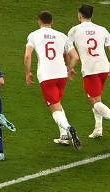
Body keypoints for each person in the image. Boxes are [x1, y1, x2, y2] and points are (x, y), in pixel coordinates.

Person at [67, 4, 110, 141]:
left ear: (79, 15)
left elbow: (72, 54)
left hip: (90, 69)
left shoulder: (74, 31)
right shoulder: (102, 30)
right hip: (104, 67)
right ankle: (98, 129)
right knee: (97, 98)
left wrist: (70, 68)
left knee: (94, 101)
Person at [24, 11, 82, 149]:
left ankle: (69, 128)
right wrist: (69, 68)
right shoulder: (62, 36)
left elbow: (27, 56)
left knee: (54, 108)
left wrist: (28, 73)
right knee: (57, 103)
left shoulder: (34, 35)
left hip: (46, 75)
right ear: (52, 21)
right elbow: (75, 57)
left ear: (39, 21)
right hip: (61, 75)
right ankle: (63, 136)